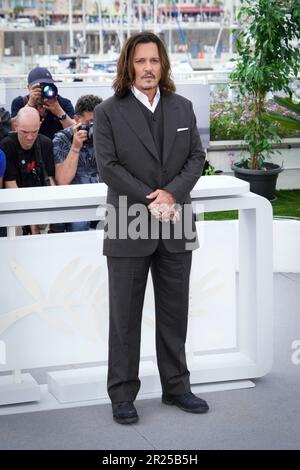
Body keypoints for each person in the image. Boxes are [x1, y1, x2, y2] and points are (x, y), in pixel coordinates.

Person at [94, 32, 208, 425]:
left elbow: (197, 157)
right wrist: (151, 198)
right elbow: (108, 167)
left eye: (154, 61)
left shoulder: (183, 107)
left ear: (163, 65)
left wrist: (171, 195)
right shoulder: (108, 112)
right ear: (129, 65)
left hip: (175, 219)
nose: (147, 68)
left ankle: (177, 388)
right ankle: (122, 395)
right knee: (124, 317)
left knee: (175, 313)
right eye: (140, 61)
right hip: (129, 220)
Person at [0, 107, 55, 235]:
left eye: (34, 132)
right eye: (24, 132)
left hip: (41, 201)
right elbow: (10, 184)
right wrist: (31, 222)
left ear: (40, 125)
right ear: (15, 126)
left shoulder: (46, 143)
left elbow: (50, 180)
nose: (30, 137)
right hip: (15, 204)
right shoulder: (6, 145)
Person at [53, 94, 102, 232]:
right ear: (76, 119)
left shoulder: (108, 136)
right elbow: (62, 180)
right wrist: (75, 148)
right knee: (79, 223)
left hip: (103, 196)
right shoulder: (62, 138)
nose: (95, 127)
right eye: (90, 122)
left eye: (99, 121)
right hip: (76, 200)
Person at [11, 67, 75, 140]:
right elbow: (13, 128)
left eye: (47, 86)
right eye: (39, 87)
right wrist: (30, 104)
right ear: (29, 87)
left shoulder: (63, 103)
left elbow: (74, 132)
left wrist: (59, 111)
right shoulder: (20, 102)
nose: (43, 90)